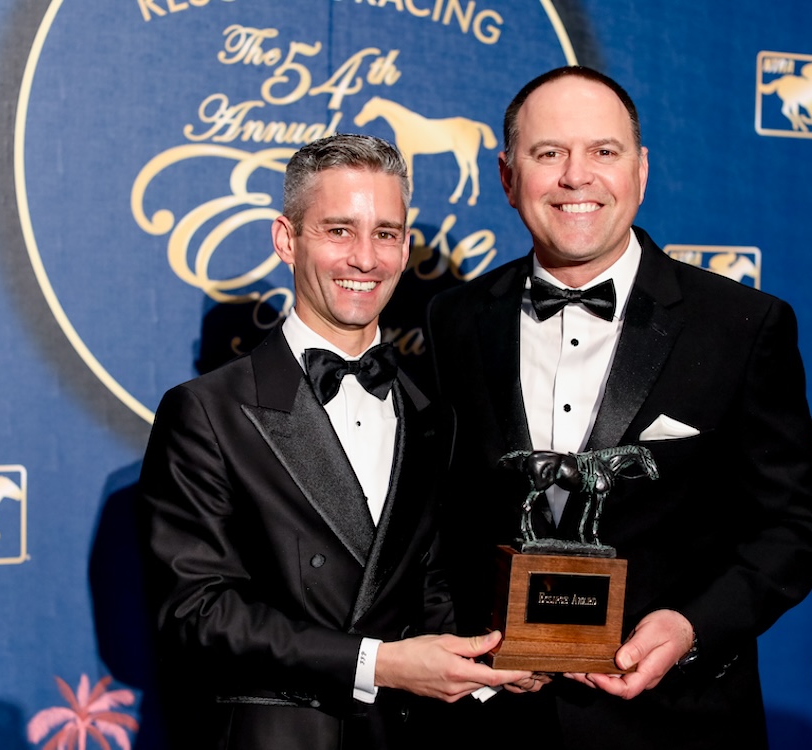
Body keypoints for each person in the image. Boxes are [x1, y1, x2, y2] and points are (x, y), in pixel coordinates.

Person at [426, 66, 812, 748]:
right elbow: (438, 515)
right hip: (494, 723)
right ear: (505, 175)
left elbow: (794, 528)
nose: (575, 177)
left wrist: (691, 627)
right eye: (548, 153)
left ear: (640, 172)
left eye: (603, 153)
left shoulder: (739, 326)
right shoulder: (454, 320)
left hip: (675, 721)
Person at [137, 133, 535, 750]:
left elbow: (426, 588)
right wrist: (377, 663)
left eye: (386, 233)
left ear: (405, 249)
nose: (365, 259)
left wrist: (490, 666)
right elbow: (196, 613)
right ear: (286, 240)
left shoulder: (431, 413)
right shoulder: (206, 412)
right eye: (338, 230)